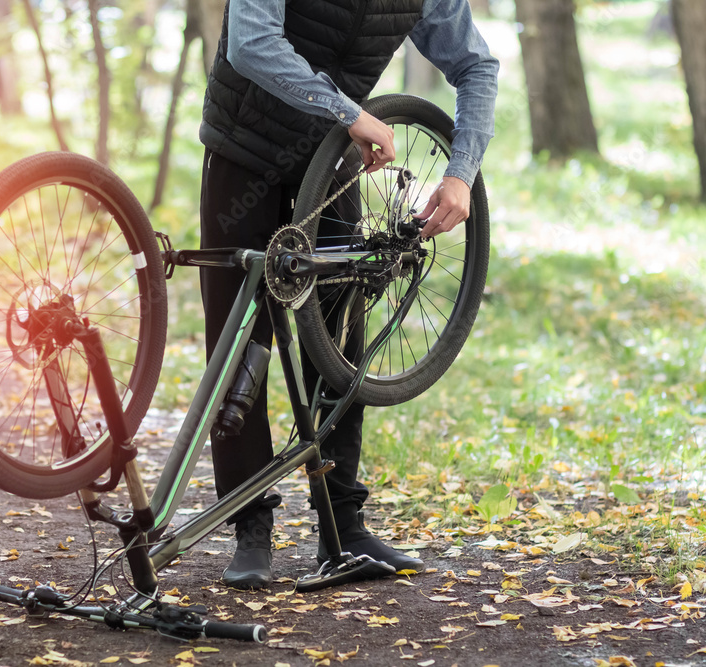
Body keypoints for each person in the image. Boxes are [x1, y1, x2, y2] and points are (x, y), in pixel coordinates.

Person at [198, 0, 500, 589]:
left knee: (340, 340)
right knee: (239, 336)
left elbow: (477, 66)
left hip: (330, 158)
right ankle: (250, 527)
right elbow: (250, 43)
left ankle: (344, 525)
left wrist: (461, 172)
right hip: (245, 150)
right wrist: (350, 112)